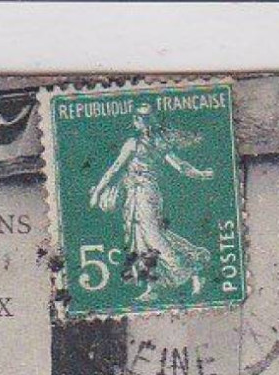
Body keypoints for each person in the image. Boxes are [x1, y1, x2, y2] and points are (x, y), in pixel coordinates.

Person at [89, 104, 215, 301]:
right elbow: (180, 166)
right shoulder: (154, 142)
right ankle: (153, 287)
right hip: (136, 195)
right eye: (143, 119)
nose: (144, 123)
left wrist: (97, 193)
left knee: (154, 238)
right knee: (142, 240)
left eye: (145, 119)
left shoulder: (139, 143)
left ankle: (192, 270)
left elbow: (114, 169)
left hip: (144, 194)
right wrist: (200, 174)